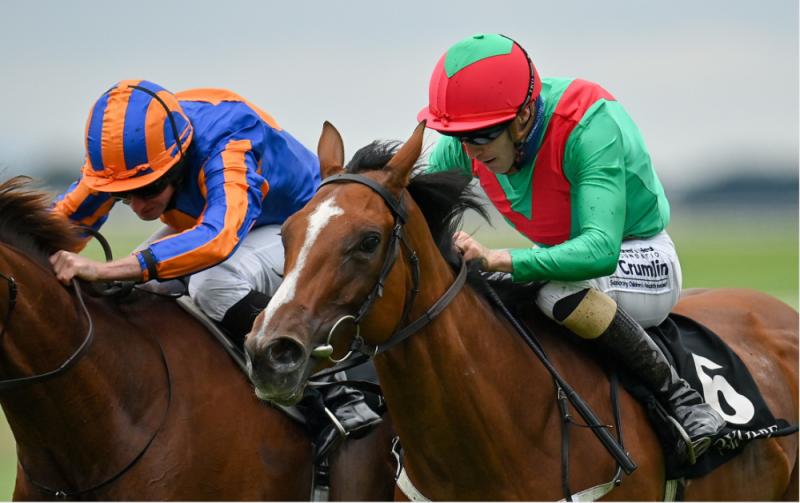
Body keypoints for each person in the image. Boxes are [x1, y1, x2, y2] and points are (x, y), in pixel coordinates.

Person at [417, 34, 725, 462]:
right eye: (458, 135)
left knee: (553, 291)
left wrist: (497, 257)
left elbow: (599, 250)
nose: (470, 150)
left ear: (524, 116)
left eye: (482, 137)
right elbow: (421, 218)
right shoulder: (469, 138)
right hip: (565, 260)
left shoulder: (589, 125)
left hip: (639, 258)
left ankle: (682, 401)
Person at [50, 80, 380, 449]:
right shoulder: (131, 156)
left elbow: (218, 238)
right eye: (122, 197)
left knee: (210, 283)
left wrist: (109, 268)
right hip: (232, 225)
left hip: (296, 227)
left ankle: (326, 388)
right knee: (142, 289)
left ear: (178, 159)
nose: (140, 207)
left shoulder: (228, 140)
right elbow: (59, 223)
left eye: (148, 190)